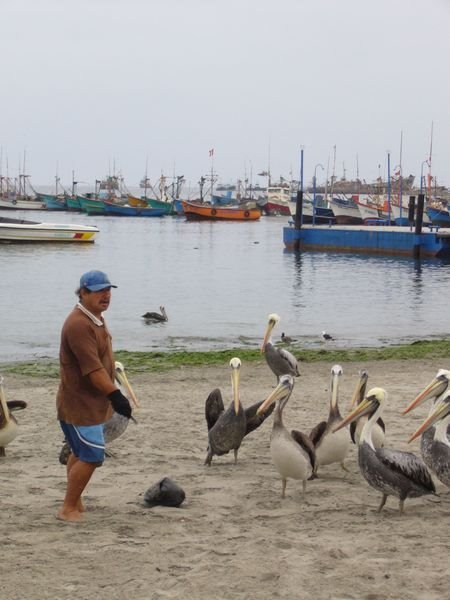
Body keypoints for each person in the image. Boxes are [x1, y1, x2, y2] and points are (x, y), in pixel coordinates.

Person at [56, 270, 132, 522]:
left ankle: (75, 501)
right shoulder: (78, 324)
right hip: (79, 406)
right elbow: (92, 369)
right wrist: (116, 395)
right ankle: (68, 508)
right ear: (83, 293)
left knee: (79, 452)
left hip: (91, 404)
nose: (106, 295)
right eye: (99, 290)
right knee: (92, 456)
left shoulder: (96, 318)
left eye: (108, 290)